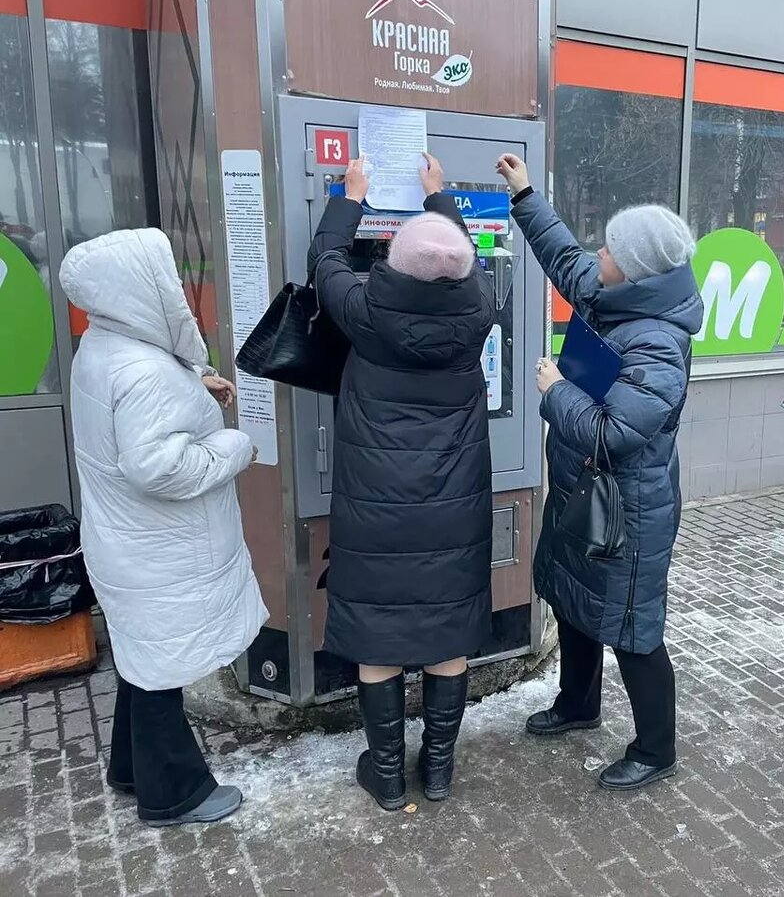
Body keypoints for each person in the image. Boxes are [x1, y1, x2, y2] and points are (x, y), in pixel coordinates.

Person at [495, 153, 702, 791]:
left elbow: (616, 435)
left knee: (634, 629)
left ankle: (655, 748)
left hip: (628, 510)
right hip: (585, 493)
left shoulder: (657, 342)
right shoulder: (617, 290)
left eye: (610, 248)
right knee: (572, 597)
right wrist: (526, 195)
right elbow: (566, 259)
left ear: (634, 267)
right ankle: (578, 705)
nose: (598, 255)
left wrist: (554, 390)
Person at [309, 154, 496, 810]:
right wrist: (441, 197)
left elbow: (326, 256)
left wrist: (351, 196)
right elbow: (464, 257)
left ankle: (387, 776)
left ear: (391, 261)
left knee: (379, 639)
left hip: (376, 510)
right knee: (447, 639)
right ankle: (438, 771)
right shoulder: (478, 311)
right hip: (454, 507)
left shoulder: (364, 309)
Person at [62, 228, 267, 827]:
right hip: (158, 550)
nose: (177, 287)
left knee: (142, 658)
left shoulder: (103, 346)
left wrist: (194, 383)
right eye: (166, 276)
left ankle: (130, 767)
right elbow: (159, 467)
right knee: (162, 672)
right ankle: (173, 793)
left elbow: (135, 410)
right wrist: (234, 447)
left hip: (128, 543)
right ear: (138, 289)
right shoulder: (144, 372)